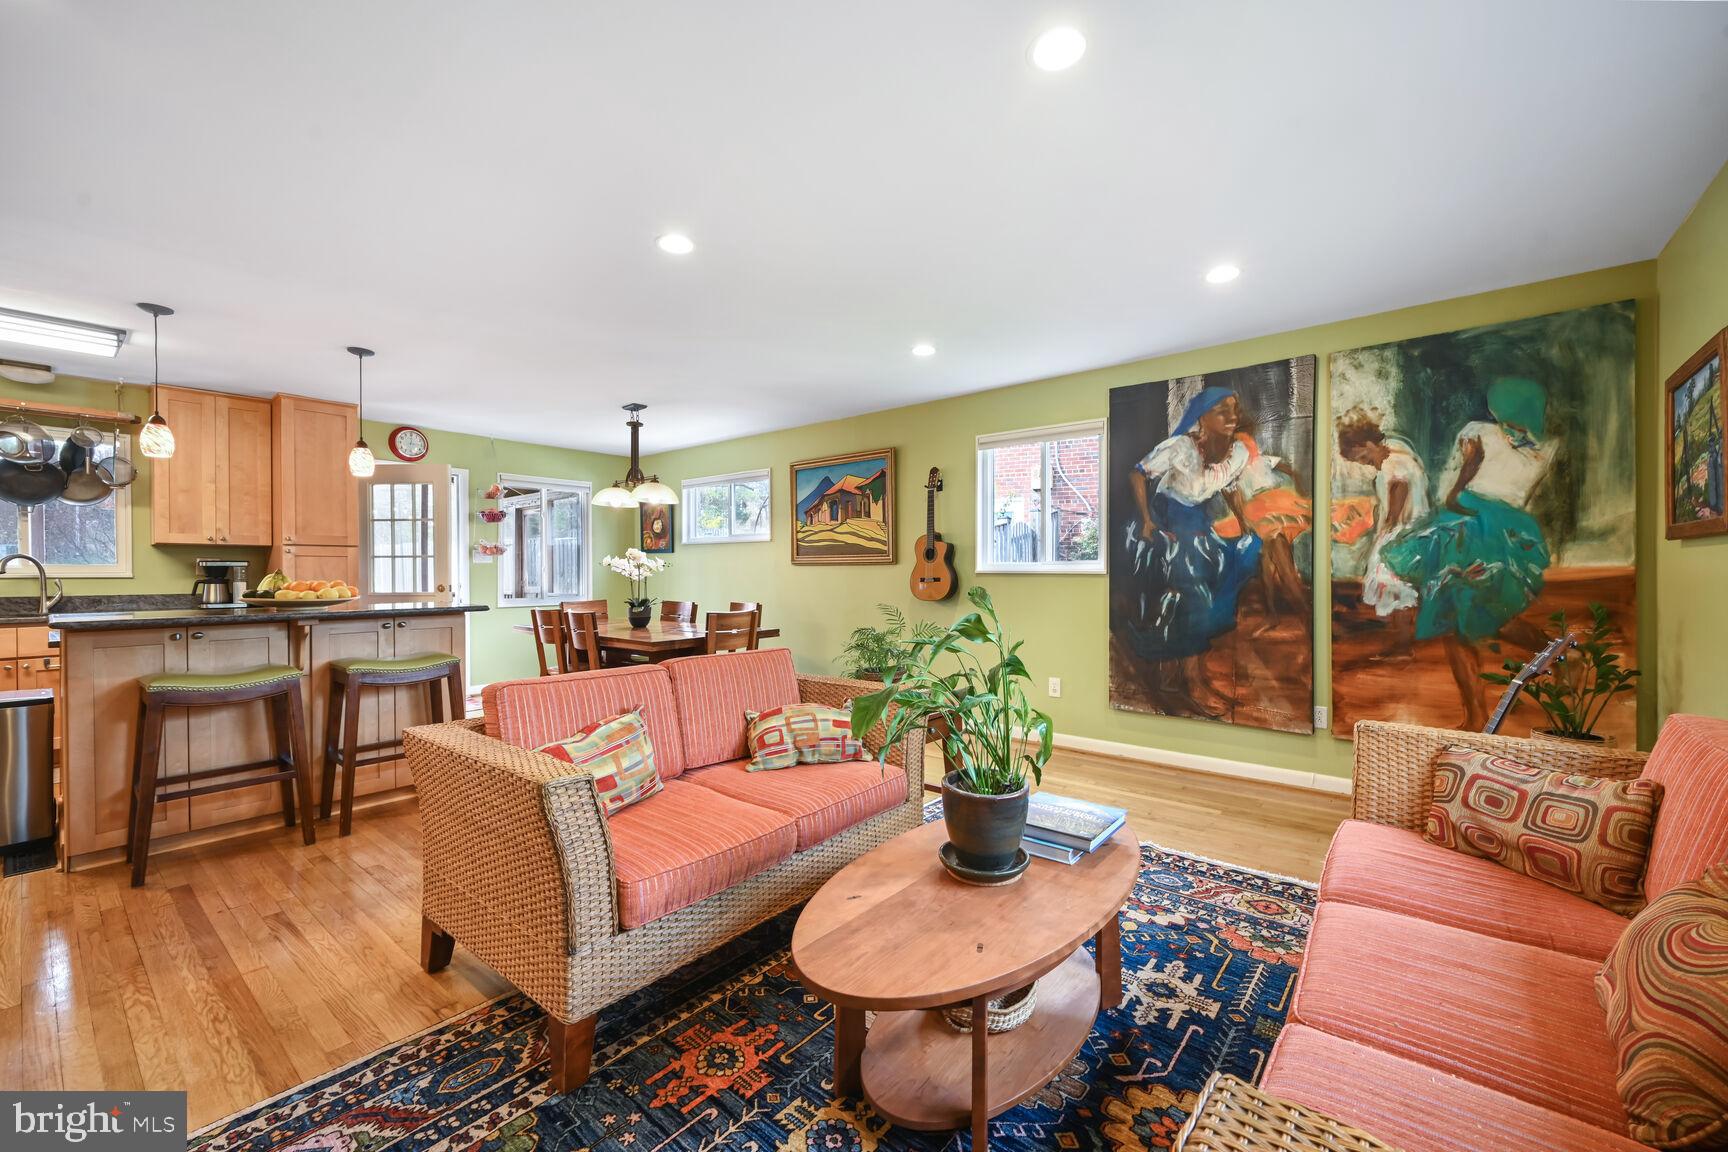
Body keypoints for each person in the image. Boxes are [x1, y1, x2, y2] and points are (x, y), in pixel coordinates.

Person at [1380, 377, 1556, 729]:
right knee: (1469, 621)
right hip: (1505, 532)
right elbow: (1517, 497)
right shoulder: (1542, 452)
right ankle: (1484, 707)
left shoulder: (1479, 431)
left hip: (1468, 525)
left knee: (1469, 621)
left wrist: (1456, 493)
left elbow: (1463, 478)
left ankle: (1478, 711)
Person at [1125, 387, 1261, 717]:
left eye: (1234, 409)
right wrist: (1146, 521)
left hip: (1198, 521)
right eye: (1221, 411)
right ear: (1201, 418)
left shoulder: (1238, 452)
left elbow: (1229, 486)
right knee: (1195, 598)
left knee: (1238, 562)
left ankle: (1183, 675)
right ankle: (1188, 680)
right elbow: (1137, 473)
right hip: (1170, 519)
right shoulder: (1180, 447)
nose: (1232, 416)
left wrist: (1244, 524)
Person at [1336, 411, 1429, 655]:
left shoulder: (1392, 463)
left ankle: (1402, 644)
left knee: (1393, 582)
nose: (1366, 463)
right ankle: (1402, 641)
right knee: (1398, 585)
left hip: (1401, 530)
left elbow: (1399, 488)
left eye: (1364, 458)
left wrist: (1389, 526)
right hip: (1410, 528)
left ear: (1368, 444)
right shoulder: (1399, 454)